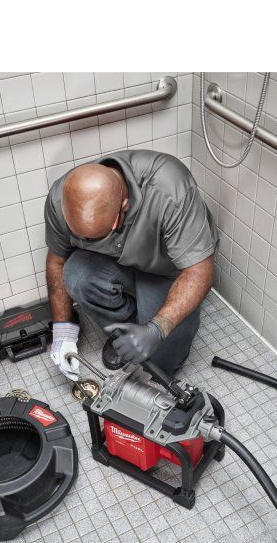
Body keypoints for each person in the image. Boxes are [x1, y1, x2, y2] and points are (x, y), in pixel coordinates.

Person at [44, 149, 218, 380]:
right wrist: (63, 334)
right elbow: (57, 261)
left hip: (167, 270)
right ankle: (126, 332)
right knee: (76, 274)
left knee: (160, 363)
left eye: (100, 236)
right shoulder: (59, 199)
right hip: (116, 260)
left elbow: (200, 270)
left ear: (124, 206)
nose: (90, 242)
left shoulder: (170, 189)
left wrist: (155, 330)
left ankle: (147, 327)